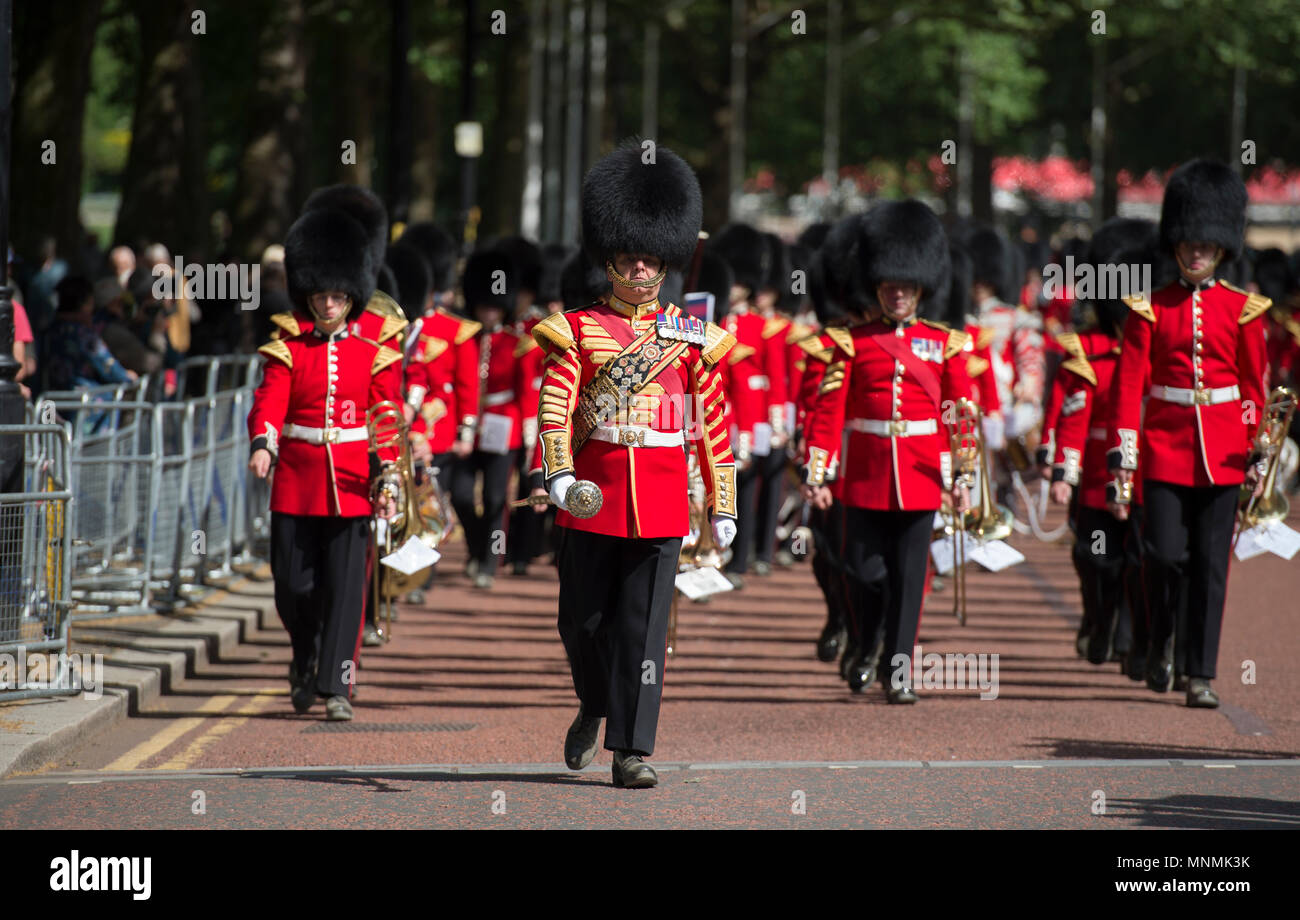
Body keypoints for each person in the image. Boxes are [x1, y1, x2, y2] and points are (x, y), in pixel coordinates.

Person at [531, 142, 737, 788]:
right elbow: (556, 402)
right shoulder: (579, 331)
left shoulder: (689, 338)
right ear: (611, 259)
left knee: (642, 633)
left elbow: (714, 421)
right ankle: (593, 703)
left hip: (664, 498)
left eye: (651, 258)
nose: (640, 268)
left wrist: (723, 501)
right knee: (581, 621)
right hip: (593, 497)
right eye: (629, 257)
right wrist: (560, 473)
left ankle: (631, 750)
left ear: (665, 262)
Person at [1107, 159, 1270, 709]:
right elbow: (1129, 389)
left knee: (1210, 565)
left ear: (1221, 247)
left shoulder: (1243, 311)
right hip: (1164, 449)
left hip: (1223, 452)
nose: (1196, 252)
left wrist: (1254, 444)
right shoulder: (1149, 309)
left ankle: (1200, 671)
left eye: (1206, 244)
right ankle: (1159, 643)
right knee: (1162, 556)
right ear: (1175, 244)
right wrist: (1125, 452)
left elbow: (1252, 389)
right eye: (1188, 243)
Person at [801, 200, 973, 701]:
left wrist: (963, 480)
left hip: (921, 476)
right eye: (889, 286)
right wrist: (818, 473)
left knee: (909, 578)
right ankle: (865, 641)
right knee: (862, 572)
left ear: (920, 288)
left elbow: (959, 415)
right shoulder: (851, 343)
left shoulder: (945, 345)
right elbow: (830, 411)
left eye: (905, 286)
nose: (897, 294)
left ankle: (898, 672)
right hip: (865, 476)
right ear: (876, 286)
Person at [246, 194, 402, 721]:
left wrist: (388, 475)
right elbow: (269, 399)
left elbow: (385, 413)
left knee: (346, 590)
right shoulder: (288, 345)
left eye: (339, 296)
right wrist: (264, 442)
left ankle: (337, 686)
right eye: (322, 296)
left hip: (354, 479)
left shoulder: (374, 348)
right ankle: (303, 653)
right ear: (308, 294)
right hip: (296, 479)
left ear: (350, 293)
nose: (330, 304)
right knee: (293, 586)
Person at [1048, 218, 1160, 673]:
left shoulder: (1157, 348)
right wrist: (1063, 471)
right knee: (1094, 558)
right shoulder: (1086, 350)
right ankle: (1098, 619)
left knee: (1137, 561)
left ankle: (1130, 635)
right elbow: (1072, 417)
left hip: (1146, 474)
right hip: (1096, 477)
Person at [449, 249, 540, 589]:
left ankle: (490, 560)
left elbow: (525, 394)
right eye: (484, 306)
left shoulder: (518, 343)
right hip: (468, 425)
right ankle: (475, 546)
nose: (488, 312)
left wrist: (530, 435)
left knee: (494, 498)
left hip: (506, 426)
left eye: (493, 306)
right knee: (459, 494)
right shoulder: (465, 339)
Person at [709, 223, 788, 587]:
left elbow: (773, 379)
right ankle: (713, 556)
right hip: (719, 413)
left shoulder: (763, 326)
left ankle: (743, 558)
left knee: (747, 489)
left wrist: (775, 425)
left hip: (752, 415)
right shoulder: (713, 320)